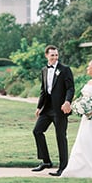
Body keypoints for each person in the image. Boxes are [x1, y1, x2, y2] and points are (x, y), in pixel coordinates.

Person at [32, 45, 75, 176]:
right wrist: (39, 107)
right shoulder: (44, 70)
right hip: (47, 108)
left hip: (60, 108)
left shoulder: (65, 70)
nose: (55, 57)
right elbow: (43, 90)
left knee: (60, 136)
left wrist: (67, 102)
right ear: (47, 56)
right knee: (37, 131)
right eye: (52, 55)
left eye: (56, 55)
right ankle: (46, 161)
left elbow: (70, 88)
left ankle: (63, 167)